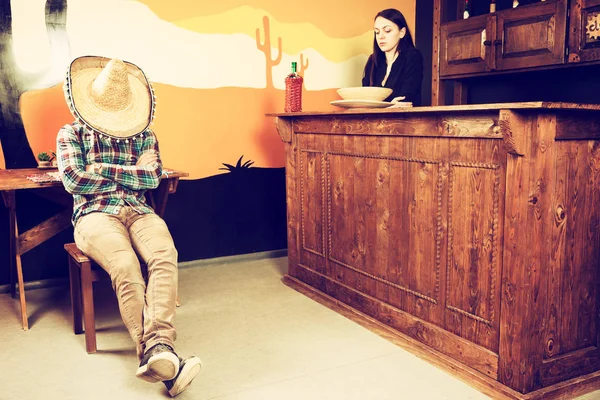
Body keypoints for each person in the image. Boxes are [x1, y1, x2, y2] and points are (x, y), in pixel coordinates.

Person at [57, 55, 201, 397]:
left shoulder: (144, 134)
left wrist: (103, 169)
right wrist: (131, 172)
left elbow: (152, 178)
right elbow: (74, 180)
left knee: (164, 254)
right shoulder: (70, 132)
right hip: (94, 215)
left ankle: (158, 348)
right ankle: (158, 352)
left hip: (138, 210)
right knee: (125, 264)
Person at [362, 8, 423, 106]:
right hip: (374, 120)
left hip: (404, 119)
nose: (381, 36)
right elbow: (365, 98)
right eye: (377, 32)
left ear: (402, 32)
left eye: (387, 30)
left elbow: (406, 98)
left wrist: (384, 106)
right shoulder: (373, 60)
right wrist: (389, 106)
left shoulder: (412, 56)